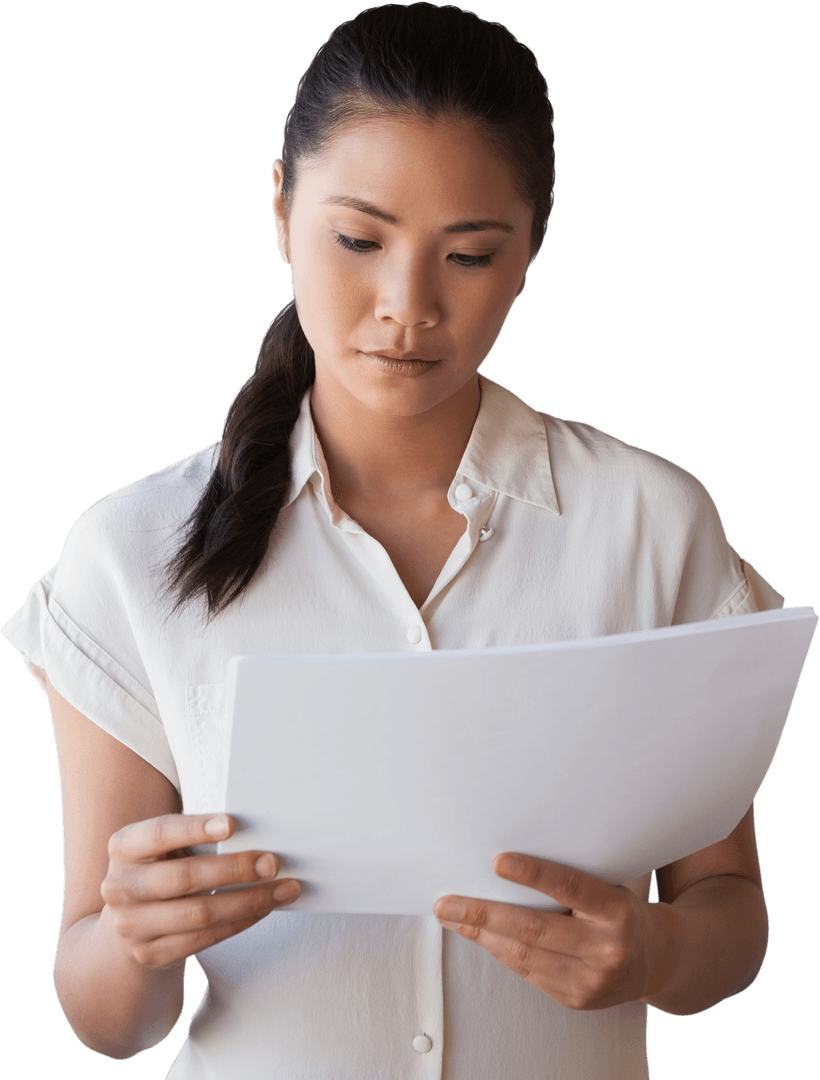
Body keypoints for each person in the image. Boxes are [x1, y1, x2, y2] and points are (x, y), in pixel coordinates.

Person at [1, 3, 784, 1077]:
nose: (406, 305)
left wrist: (652, 951)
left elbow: (729, 916)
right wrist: (135, 938)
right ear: (281, 210)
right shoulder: (131, 549)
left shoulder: (649, 523)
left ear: (528, 257)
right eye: (358, 240)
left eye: (467, 255)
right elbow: (108, 1019)